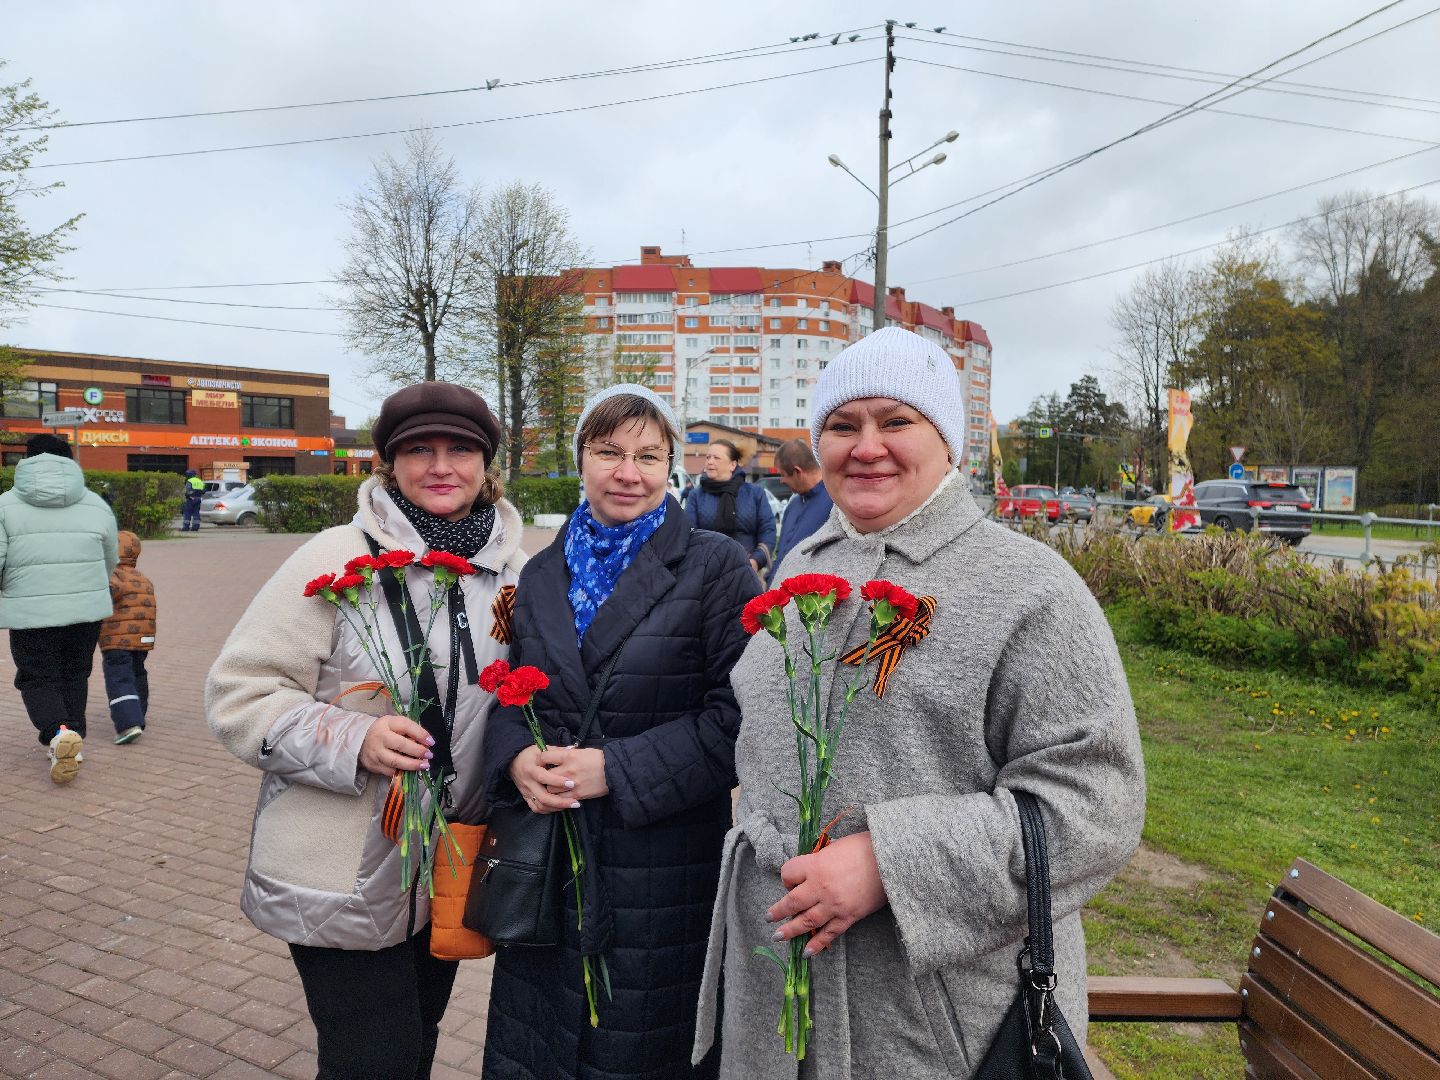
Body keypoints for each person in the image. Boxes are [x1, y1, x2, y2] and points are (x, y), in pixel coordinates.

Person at [693, 327, 1145, 1078]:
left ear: (948, 443)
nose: (866, 446)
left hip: (934, 1022)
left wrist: (890, 863)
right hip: (776, 994)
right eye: (842, 425)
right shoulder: (802, 567)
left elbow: (1097, 803)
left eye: (896, 421)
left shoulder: (1028, 588)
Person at [206, 383, 525, 1079]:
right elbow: (239, 694)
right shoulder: (333, 554)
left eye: (460, 449)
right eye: (419, 450)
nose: (441, 466)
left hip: (447, 860)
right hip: (338, 865)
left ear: (486, 463)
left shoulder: (508, 574)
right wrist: (356, 739)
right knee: (370, 1059)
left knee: (416, 1040)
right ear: (387, 463)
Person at [481, 384, 758, 1080]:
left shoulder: (717, 567)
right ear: (581, 458)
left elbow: (742, 719)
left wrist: (619, 770)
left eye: (649, 455)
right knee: (543, 1048)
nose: (628, 472)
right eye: (609, 452)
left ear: (674, 466)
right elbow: (517, 693)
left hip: (661, 869)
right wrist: (516, 757)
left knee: (639, 1048)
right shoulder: (541, 573)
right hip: (551, 865)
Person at [0, 433, 119, 784]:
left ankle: (57, 732)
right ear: (70, 461)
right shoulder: (96, 503)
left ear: (27, 461)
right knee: (74, 672)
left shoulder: (5, 504)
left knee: (37, 675)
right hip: (85, 610)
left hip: (30, 611)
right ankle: (73, 739)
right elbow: (109, 558)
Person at [685, 439, 775, 582]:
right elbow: (689, 533)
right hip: (707, 574)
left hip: (748, 572)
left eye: (716, 458)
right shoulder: (696, 495)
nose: (709, 462)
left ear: (733, 464)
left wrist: (756, 561)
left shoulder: (755, 494)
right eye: (708, 457)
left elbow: (768, 530)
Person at [100, 530, 156, 745]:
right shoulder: (143, 578)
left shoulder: (114, 575)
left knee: (119, 677)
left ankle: (128, 723)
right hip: (143, 638)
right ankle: (139, 713)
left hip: (117, 639)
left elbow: (107, 593)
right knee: (137, 674)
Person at [767, 438, 833, 581]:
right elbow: (781, 553)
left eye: (783, 475)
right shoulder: (793, 505)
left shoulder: (835, 503)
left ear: (797, 472)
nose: (781, 481)